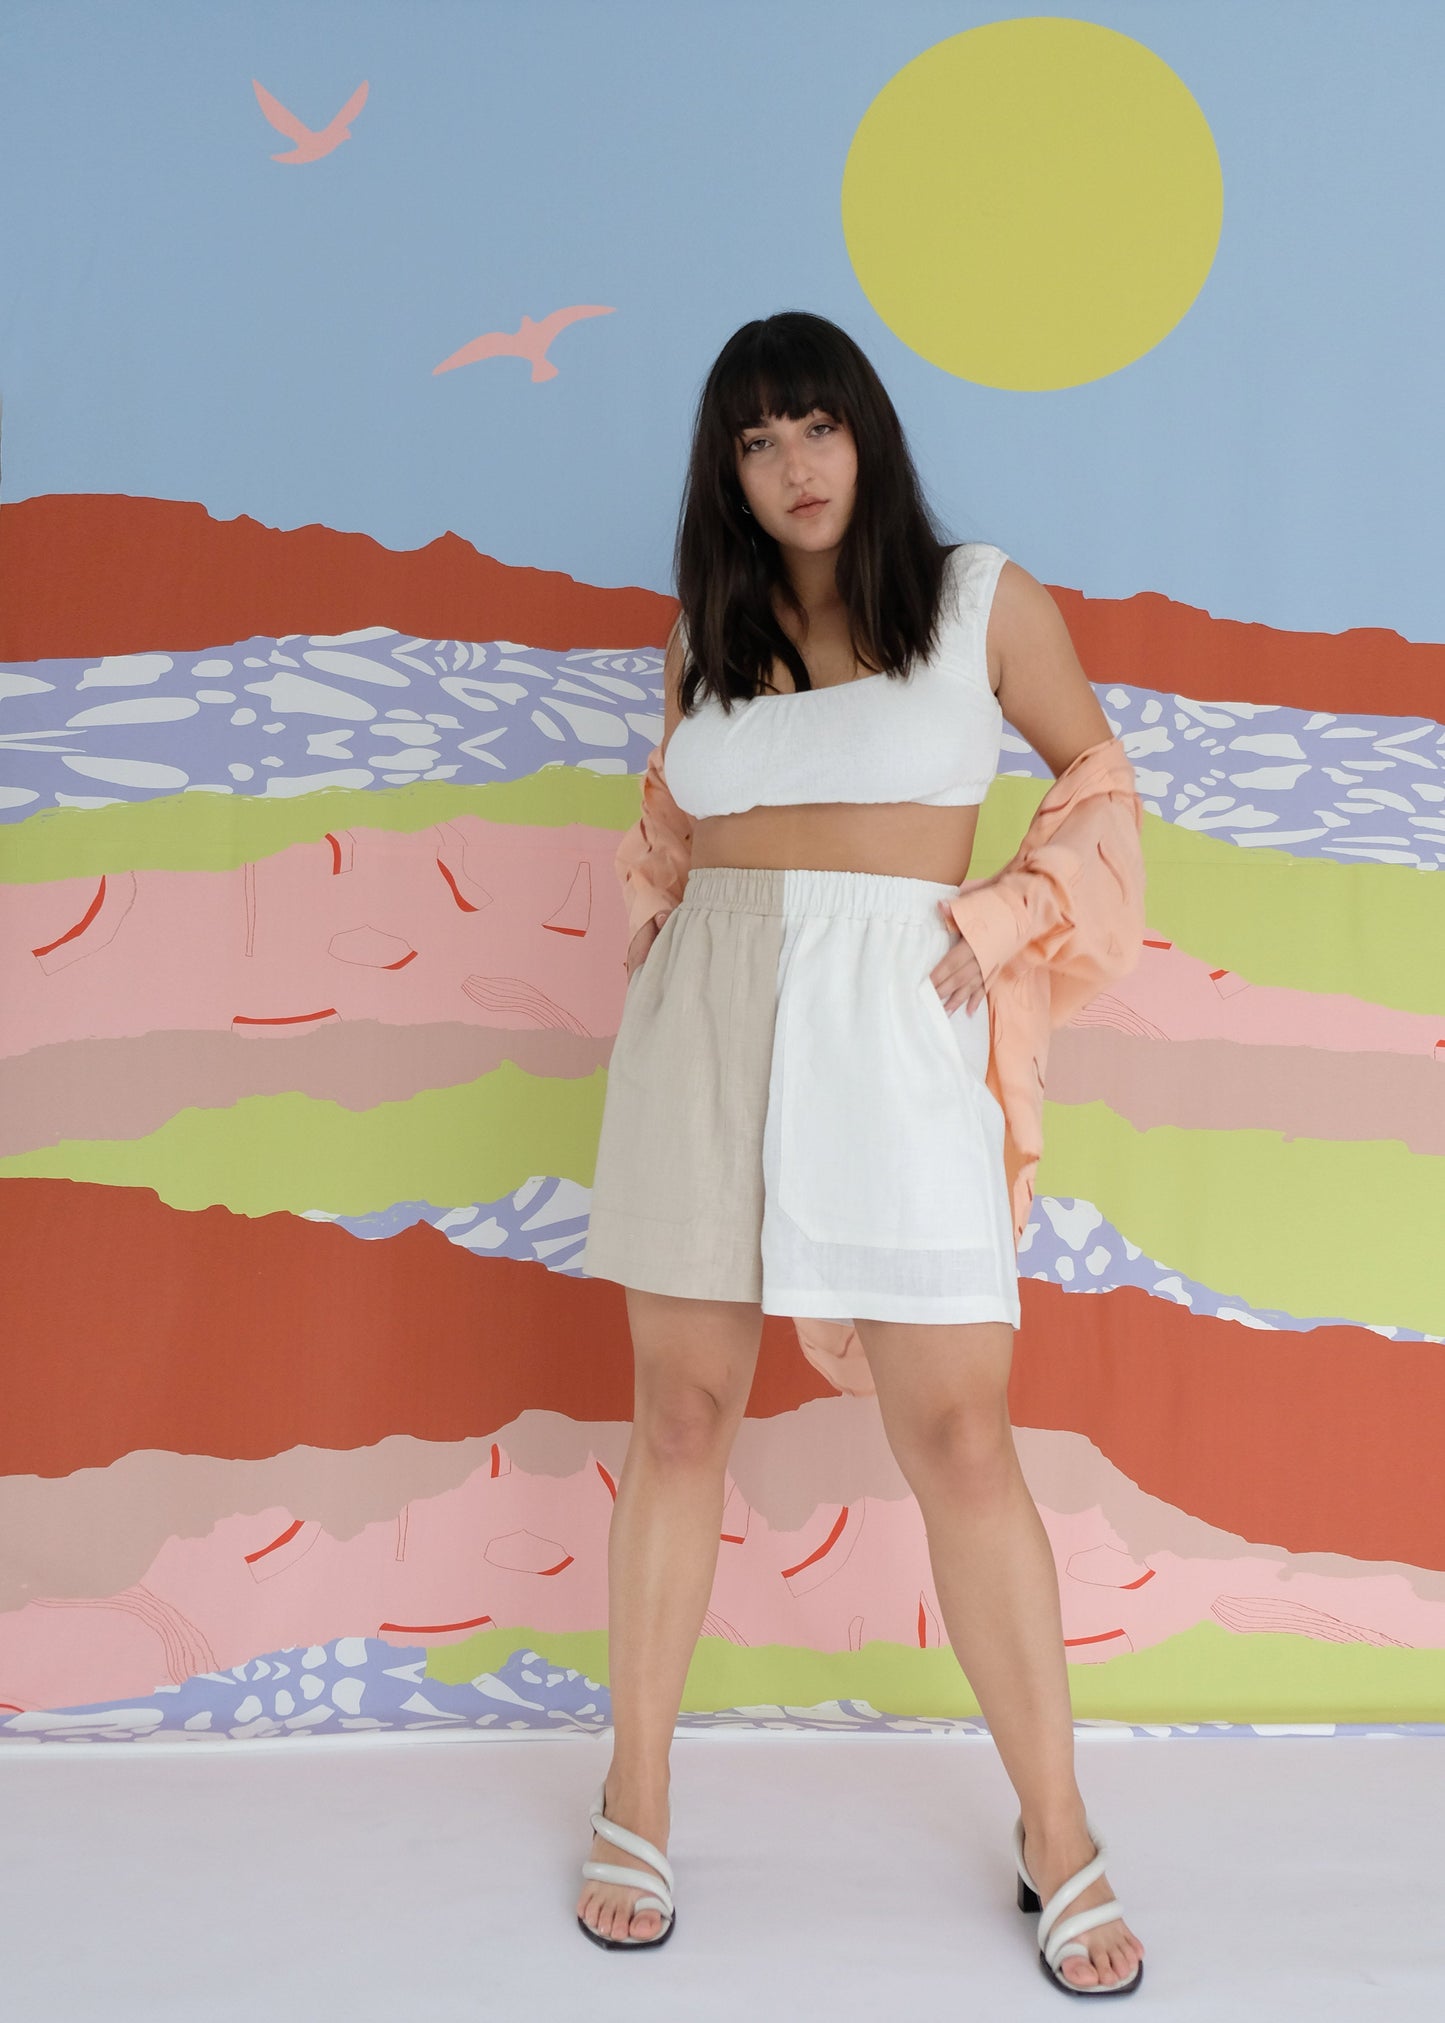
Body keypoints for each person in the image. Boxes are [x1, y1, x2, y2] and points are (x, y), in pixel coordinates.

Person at [574, 310, 1146, 1996]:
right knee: (680, 1412)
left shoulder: (976, 600)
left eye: (815, 428)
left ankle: (1055, 1830)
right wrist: (669, 943)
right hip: (708, 1025)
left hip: (891, 1027)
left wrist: (1014, 906)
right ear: (726, 472)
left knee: (960, 1430)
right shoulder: (706, 629)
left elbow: (1097, 778)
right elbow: (671, 831)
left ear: (864, 436)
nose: (793, 467)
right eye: (756, 443)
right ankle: (639, 1787)